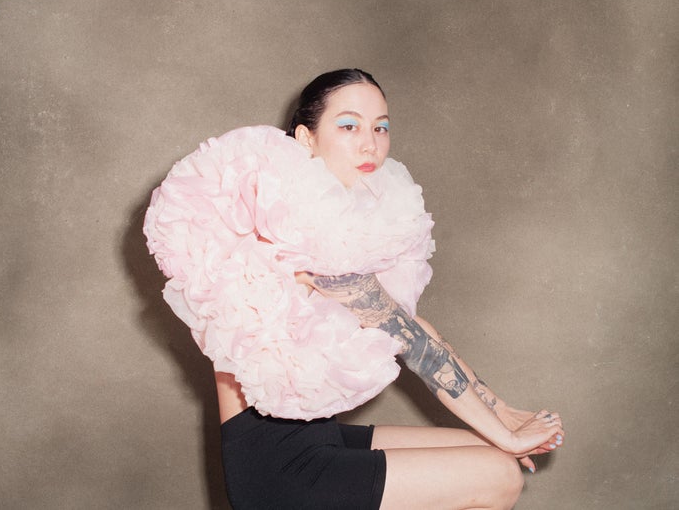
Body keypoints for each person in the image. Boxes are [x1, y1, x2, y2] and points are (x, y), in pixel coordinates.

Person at [144, 69, 564, 509]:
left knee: (481, 449)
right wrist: (508, 436)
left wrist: (501, 412)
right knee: (498, 473)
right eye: (349, 126)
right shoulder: (286, 220)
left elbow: (411, 324)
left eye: (380, 127)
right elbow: (406, 337)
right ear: (306, 138)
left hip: (316, 437)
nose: (370, 143)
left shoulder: (339, 223)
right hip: (277, 464)